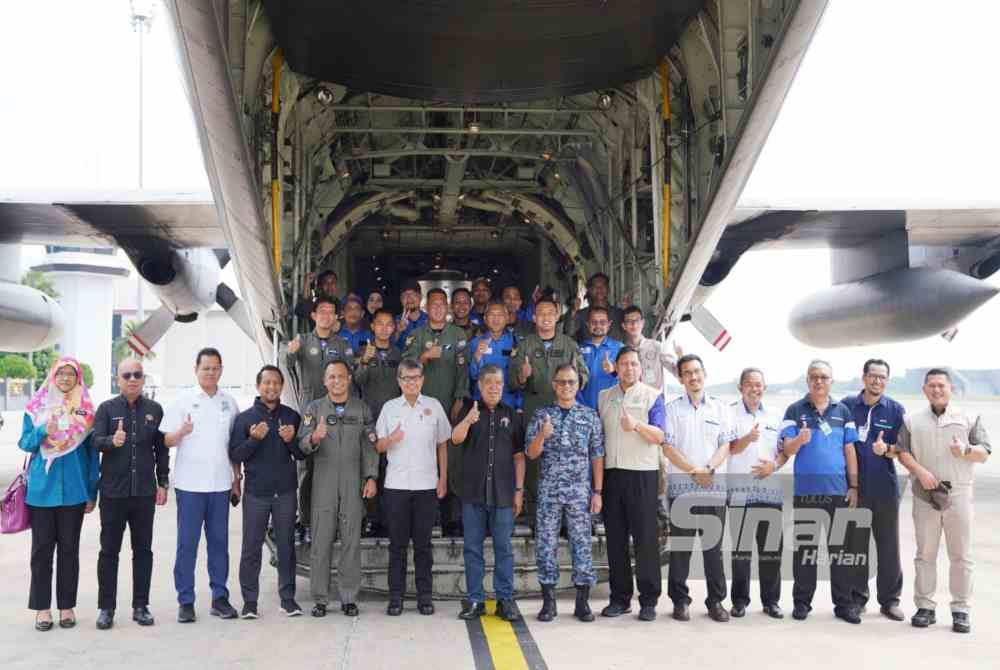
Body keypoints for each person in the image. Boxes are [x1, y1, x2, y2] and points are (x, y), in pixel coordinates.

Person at [897, 368, 991, 634]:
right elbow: (902, 451)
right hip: (925, 495)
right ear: (924, 390)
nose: (936, 390)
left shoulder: (969, 418)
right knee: (925, 554)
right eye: (931, 386)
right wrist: (920, 472)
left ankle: (961, 609)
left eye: (941, 385)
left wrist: (966, 451)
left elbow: (984, 453)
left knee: (960, 555)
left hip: (959, 494)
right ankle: (925, 606)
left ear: (951, 388)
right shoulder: (912, 420)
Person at [161, 347, 242, 623]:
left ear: (221, 370)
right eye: (205, 367)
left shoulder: (229, 403)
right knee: (187, 544)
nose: (210, 372)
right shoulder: (183, 401)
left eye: (215, 367)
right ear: (196, 370)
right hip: (190, 485)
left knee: (219, 544)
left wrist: (236, 479)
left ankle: (220, 598)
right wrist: (181, 433)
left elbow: (235, 446)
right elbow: (166, 440)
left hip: (220, 484)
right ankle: (186, 600)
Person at [18, 357, 98, 632]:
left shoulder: (86, 411)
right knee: (41, 552)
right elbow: (25, 442)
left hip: (74, 492)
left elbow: (91, 454)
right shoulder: (37, 408)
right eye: (60, 373)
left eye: (70, 374)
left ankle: (66, 606)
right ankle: (42, 609)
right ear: (53, 376)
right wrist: (43, 430)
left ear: (78, 378)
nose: (65, 378)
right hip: (41, 492)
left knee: (69, 551)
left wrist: (91, 491)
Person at [780, 359, 861, 624]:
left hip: (838, 493)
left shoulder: (844, 412)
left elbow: (849, 450)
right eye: (814, 377)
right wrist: (799, 440)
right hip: (806, 493)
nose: (819, 381)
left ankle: (844, 605)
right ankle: (802, 603)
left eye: (824, 377)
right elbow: (786, 450)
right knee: (805, 552)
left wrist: (854, 486)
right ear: (807, 380)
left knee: (840, 553)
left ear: (831, 381)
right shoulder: (795, 410)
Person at [92, 358, 168, 629]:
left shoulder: (155, 410)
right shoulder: (106, 409)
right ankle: (106, 608)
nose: (132, 379)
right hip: (113, 493)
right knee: (109, 551)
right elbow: (94, 441)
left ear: (143, 378)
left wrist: (163, 482)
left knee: (143, 551)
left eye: (137, 374)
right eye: (127, 375)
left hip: (144, 493)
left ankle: (140, 606)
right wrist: (111, 441)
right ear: (118, 379)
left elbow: (162, 450)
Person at [298, 360, 378, 617]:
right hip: (323, 483)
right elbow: (301, 445)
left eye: (341, 377)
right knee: (321, 541)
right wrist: (314, 438)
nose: (336, 381)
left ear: (349, 379)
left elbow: (370, 446)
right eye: (331, 377)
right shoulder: (314, 408)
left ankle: (348, 597)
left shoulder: (362, 409)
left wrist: (371, 477)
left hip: (353, 483)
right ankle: (320, 598)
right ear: (324, 381)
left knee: (351, 541)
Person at [526, 364, 604, 623]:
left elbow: (597, 455)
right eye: (561, 382)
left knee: (581, 545)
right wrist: (542, 436)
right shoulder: (542, 415)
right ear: (554, 385)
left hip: (579, 493)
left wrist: (598, 491)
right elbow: (531, 453)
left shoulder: (590, 416)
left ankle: (582, 602)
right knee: (545, 545)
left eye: (571, 382)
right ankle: (549, 602)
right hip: (549, 492)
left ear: (578, 385)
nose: (566, 386)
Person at [661, 354, 735, 623]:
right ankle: (680, 601)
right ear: (680, 378)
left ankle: (716, 601)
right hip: (682, 488)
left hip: (713, 488)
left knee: (713, 549)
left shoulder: (720, 409)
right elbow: (667, 447)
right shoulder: (671, 410)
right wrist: (694, 471)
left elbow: (725, 445)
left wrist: (710, 470)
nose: (693, 377)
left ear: (705, 374)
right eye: (687, 373)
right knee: (681, 549)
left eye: (697, 372)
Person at [375, 359, 450, 616]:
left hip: (426, 485)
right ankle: (395, 597)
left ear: (422, 380)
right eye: (406, 378)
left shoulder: (434, 406)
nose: (411, 382)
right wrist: (391, 439)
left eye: (416, 377)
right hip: (396, 486)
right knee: (397, 545)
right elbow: (378, 446)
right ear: (399, 381)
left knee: (423, 545)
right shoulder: (389, 408)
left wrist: (443, 479)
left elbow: (442, 444)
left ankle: (424, 597)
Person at [451, 365, 526, 622]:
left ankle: (505, 600)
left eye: (499, 383)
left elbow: (519, 457)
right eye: (489, 383)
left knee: (503, 548)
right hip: (473, 493)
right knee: (473, 548)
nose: (494, 387)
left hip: (503, 494)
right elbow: (456, 439)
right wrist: (467, 421)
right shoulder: (469, 410)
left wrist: (519, 490)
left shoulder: (511, 416)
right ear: (480, 386)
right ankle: (475, 600)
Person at [229, 365, 304, 619]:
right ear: (258, 386)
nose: (271, 387)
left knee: (286, 547)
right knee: (251, 547)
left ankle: (288, 600)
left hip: (285, 492)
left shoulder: (292, 416)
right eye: (266, 383)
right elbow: (235, 454)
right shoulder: (245, 418)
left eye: (276, 383)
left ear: (281, 386)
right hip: (256, 493)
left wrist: (291, 440)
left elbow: (302, 453)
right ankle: (250, 602)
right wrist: (254, 439)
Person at [598, 347, 665, 622]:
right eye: (624, 364)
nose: (629, 368)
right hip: (613, 474)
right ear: (616, 367)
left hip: (642, 473)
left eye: (634, 364)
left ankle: (648, 600)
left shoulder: (652, 396)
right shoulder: (604, 397)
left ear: (641, 368)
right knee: (615, 539)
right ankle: (620, 598)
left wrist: (636, 425)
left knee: (645, 539)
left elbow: (660, 435)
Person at [510, 298, 588, 522]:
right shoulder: (525, 345)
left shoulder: (569, 345)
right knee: (534, 461)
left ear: (557, 317)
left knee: (565, 460)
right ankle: (536, 516)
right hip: (535, 408)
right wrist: (522, 375)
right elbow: (513, 382)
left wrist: (574, 379)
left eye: (550, 313)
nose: (545, 318)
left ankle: (566, 519)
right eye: (540, 314)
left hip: (564, 410)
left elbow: (583, 377)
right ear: (533, 317)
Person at [840, 359, 906, 621]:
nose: (878, 381)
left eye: (883, 378)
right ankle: (858, 598)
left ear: (887, 381)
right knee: (857, 546)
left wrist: (887, 450)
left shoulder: (895, 410)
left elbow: (904, 449)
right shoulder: (846, 406)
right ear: (864, 377)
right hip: (855, 489)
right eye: (873, 376)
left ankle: (890, 600)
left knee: (889, 546)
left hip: (885, 489)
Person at [286, 296, 354, 545]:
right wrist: (290, 353)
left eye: (331, 311)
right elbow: (288, 365)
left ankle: (334, 523)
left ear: (337, 317)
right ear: (313, 315)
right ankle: (306, 524)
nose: (327, 315)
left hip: (337, 411)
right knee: (308, 469)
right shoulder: (303, 341)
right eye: (322, 311)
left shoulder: (342, 344)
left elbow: (351, 375)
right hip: (310, 412)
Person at [404, 288, 470, 535]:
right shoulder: (416, 335)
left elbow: (463, 372)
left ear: (448, 307)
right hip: (422, 410)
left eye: (443, 303)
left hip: (451, 407)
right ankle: (427, 517)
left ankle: (452, 518)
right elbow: (407, 369)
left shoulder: (458, 334)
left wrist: (460, 399)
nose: (439, 308)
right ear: (425, 307)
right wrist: (424, 357)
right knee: (424, 460)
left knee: (452, 462)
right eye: (434, 304)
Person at [726, 367, 787, 619]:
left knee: (771, 549)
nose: (754, 388)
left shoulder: (776, 415)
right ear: (740, 387)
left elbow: (784, 451)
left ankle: (771, 601)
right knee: (741, 552)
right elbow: (729, 448)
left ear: (765, 387)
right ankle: (739, 601)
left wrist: (774, 465)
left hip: (769, 492)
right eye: (749, 384)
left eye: (758, 384)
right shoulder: (729, 413)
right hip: (740, 492)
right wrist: (747, 439)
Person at [353, 308, 403, 536]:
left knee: (391, 469)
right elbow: (358, 381)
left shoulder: (398, 355)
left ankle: (390, 519)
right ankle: (370, 518)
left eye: (388, 324)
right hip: (369, 419)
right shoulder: (364, 351)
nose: (384, 328)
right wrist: (364, 361)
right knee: (369, 468)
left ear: (394, 329)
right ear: (372, 326)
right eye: (379, 324)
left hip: (393, 420)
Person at [468, 301, 523, 410]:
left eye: (500, 315)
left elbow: (519, 377)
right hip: (482, 400)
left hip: (507, 400)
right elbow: (473, 376)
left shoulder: (515, 342)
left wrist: (519, 404)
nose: (496, 319)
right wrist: (477, 356)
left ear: (507, 318)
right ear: (485, 318)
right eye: (492, 315)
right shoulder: (475, 343)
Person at [619, 306, 680, 391]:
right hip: (631, 400)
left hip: (654, 400)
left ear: (643, 323)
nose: (634, 324)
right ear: (624, 326)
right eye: (629, 321)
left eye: (637, 320)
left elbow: (678, 372)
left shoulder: (657, 346)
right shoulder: (621, 351)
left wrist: (681, 358)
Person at [577, 306, 623, 410]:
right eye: (594, 322)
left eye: (602, 322)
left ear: (609, 324)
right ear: (587, 324)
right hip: (584, 408)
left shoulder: (619, 348)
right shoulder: (578, 349)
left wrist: (614, 371)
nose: (598, 326)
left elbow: (629, 378)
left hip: (612, 408)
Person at [564, 273, 625, 343]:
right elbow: (568, 333)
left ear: (608, 289)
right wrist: (573, 311)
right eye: (595, 286)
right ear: (589, 290)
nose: (599, 289)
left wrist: (627, 310)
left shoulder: (619, 313)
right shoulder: (580, 314)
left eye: (603, 285)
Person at [393, 280, 428, 347]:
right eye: (405, 295)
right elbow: (386, 346)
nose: (409, 298)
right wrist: (398, 331)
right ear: (401, 300)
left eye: (413, 294)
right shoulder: (393, 321)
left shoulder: (430, 320)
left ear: (421, 297)